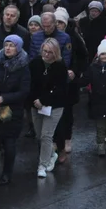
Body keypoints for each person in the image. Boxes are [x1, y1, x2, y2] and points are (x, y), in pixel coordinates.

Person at [0, 35, 30, 185]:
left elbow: (23, 91)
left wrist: (4, 98)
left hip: (12, 110)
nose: (8, 48)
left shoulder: (23, 66)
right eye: (6, 45)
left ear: (18, 48)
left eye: (12, 45)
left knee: (9, 144)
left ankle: (7, 173)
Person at [30, 38, 69, 177]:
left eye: (50, 52)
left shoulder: (60, 66)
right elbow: (31, 83)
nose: (46, 55)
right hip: (36, 104)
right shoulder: (35, 63)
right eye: (44, 51)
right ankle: (52, 154)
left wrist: (44, 100)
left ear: (55, 53)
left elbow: (60, 89)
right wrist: (35, 100)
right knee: (39, 135)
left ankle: (43, 164)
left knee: (46, 135)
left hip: (54, 105)